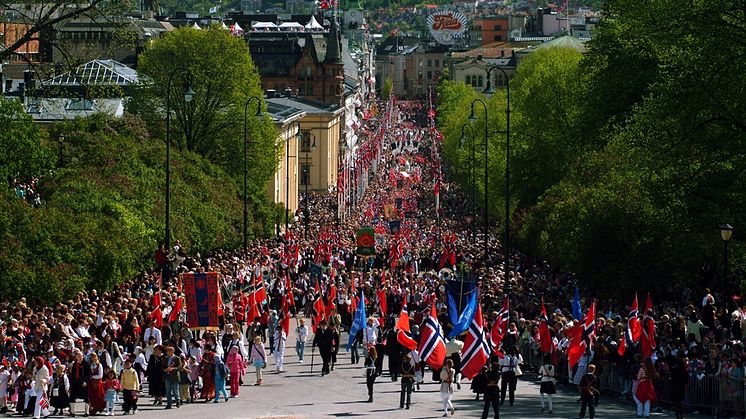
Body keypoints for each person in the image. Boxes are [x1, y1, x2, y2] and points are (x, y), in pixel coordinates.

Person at [670, 352, 688, 419]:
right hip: (681, 385)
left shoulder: (674, 366)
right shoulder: (683, 367)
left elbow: (672, 374)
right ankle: (681, 415)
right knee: (681, 401)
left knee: (676, 401)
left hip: (675, 385)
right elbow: (686, 376)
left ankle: (677, 415)